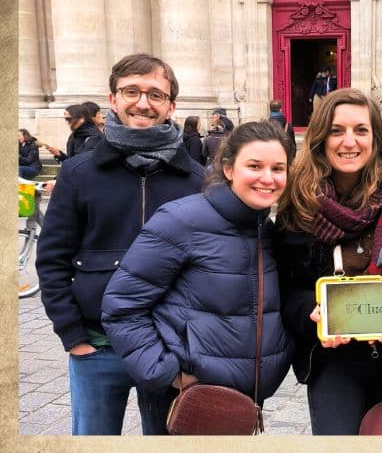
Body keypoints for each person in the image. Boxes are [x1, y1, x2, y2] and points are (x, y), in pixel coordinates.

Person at [36, 53, 205, 435]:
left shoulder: (196, 180)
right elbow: (52, 260)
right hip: (97, 345)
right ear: (112, 99)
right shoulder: (80, 173)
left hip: (170, 350)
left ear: (171, 106)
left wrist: (194, 350)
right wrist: (73, 337)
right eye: (131, 91)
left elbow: (208, 265)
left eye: (155, 94)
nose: (142, 103)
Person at [102, 121, 294, 433]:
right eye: (255, 166)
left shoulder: (268, 232)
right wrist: (167, 374)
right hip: (184, 397)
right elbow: (122, 306)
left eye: (278, 168)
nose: (267, 178)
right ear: (229, 169)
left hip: (242, 403)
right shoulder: (180, 220)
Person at [275, 88, 382, 435]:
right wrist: (314, 312)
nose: (349, 141)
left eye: (360, 130)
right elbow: (286, 287)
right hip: (334, 360)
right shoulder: (300, 200)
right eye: (337, 130)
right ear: (320, 137)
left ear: (375, 137)